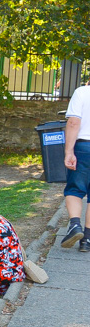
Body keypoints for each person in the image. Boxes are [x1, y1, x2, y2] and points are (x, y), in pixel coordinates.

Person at [62, 80, 90, 251]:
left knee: (75, 189)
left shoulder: (82, 92)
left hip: (84, 148)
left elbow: (73, 123)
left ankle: (75, 225)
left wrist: (68, 152)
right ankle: (87, 239)